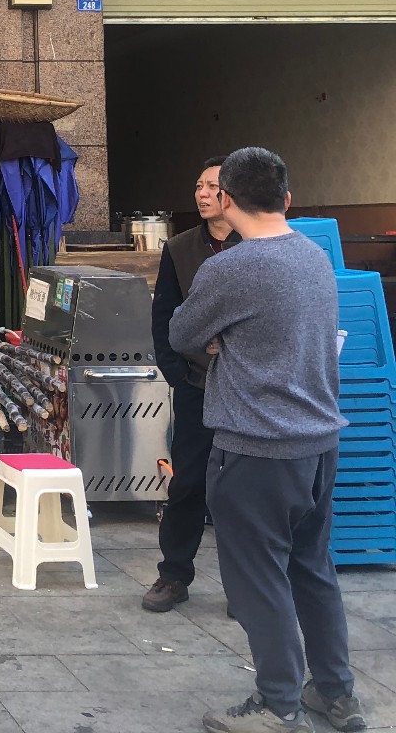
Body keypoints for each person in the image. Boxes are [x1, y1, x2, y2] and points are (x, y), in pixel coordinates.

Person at [170, 147, 363, 733]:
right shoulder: (313, 256)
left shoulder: (230, 268)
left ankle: (278, 705)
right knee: (313, 569)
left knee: (258, 581)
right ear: (287, 198)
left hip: (255, 449)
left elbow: (182, 333)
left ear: (226, 198)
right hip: (320, 444)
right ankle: (335, 692)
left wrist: (219, 338)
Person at [142, 155, 240, 613]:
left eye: (212, 186)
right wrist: (176, 372)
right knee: (186, 484)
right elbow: (164, 315)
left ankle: (246, 588)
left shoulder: (257, 245)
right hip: (197, 385)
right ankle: (174, 574)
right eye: (198, 186)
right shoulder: (180, 248)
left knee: (242, 490)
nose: (202, 194)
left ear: (234, 192)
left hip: (249, 390)